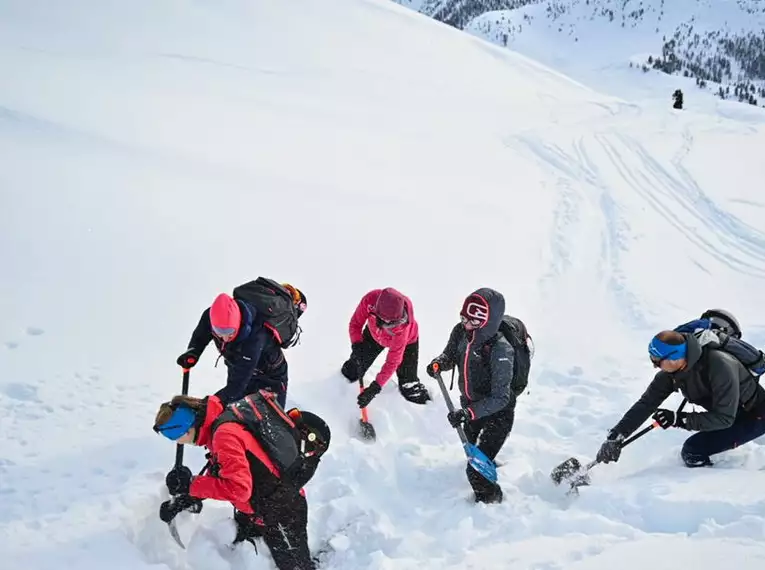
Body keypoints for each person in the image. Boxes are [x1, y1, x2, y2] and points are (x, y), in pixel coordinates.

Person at [153, 392, 330, 570]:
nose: (180, 443)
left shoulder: (223, 436)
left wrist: (192, 485)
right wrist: (190, 496)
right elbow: (226, 470)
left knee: (295, 566)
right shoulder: (220, 420)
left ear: (187, 429)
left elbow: (238, 489)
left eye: (177, 438)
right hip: (263, 504)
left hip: (282, 510)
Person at [596, 329, 765, 468]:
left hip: (754, 415)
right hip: (728, 414)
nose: (654, 365)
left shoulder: (720, 365)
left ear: (674, 358)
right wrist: (616, 436)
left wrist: (679, 419)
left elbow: (724, 418)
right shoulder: (671, 374)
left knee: (693, 451)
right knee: (694, 449)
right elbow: (646, 404)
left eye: (657, 360)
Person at [426, 288, 521, 504]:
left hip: (498, 415)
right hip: (469, 408)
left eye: (473, 322)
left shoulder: (501, 350)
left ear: (487, 323)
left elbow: (500, 398)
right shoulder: (461, 332)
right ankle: (487, 461)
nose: (466, 325)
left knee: (475, 472)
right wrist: (439, 363)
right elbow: (450, 355)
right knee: (471, 451)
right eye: (463, 318)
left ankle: (493, 504)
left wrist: (468, 413)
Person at [176, 283, 307, 407]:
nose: (224, 337)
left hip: (270, 376)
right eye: (219, 331)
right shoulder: (211, 316)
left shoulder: (255, 337)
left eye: (229, 332)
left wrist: (207, 404)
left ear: (238, 322)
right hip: (237, 366)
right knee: (234, 413)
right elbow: (200, 336)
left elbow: (237, 386)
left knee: (270, 421)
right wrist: (193, 352)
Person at [341, 287, 431, 408]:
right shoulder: (370, 300)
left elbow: (392, 361)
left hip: (408, 342)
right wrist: (357, 345)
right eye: (385, 321)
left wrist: (375, 387)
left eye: (392, 323)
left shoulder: (403, 328)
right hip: (374, 335)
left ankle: (430, 410)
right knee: (352, 371)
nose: (388, 326)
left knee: (409, 387)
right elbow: (355, 324)